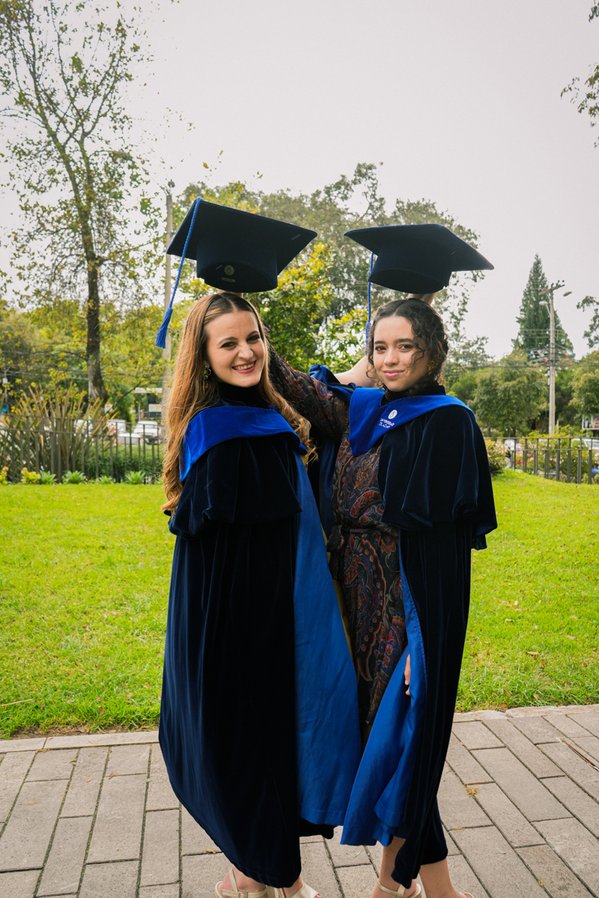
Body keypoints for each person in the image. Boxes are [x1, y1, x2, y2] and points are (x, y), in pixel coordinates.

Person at [269, 296, 497, 898]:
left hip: (402, 606)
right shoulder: (366, 411)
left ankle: (390, 888)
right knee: (389, 745)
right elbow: (299, 389)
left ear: (432, 351)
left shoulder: (447, 423)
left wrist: (425, 645)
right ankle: (437, 890)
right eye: (380, 347)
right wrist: (252, 333)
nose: (390, 359)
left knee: (399, 743)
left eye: (405, 346)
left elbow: (442, 554)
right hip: (347, 600)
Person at [158, 291, 360, 898]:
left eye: (254, 338)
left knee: (288, 735)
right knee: (258, 741)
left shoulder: (262, 414)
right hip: (245, 620)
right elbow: (222, 557)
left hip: (285, 603)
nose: (246, 352)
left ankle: (248, 876)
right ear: (204, 355)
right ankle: (279, 881)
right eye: (228, 343)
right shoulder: (220, 432)